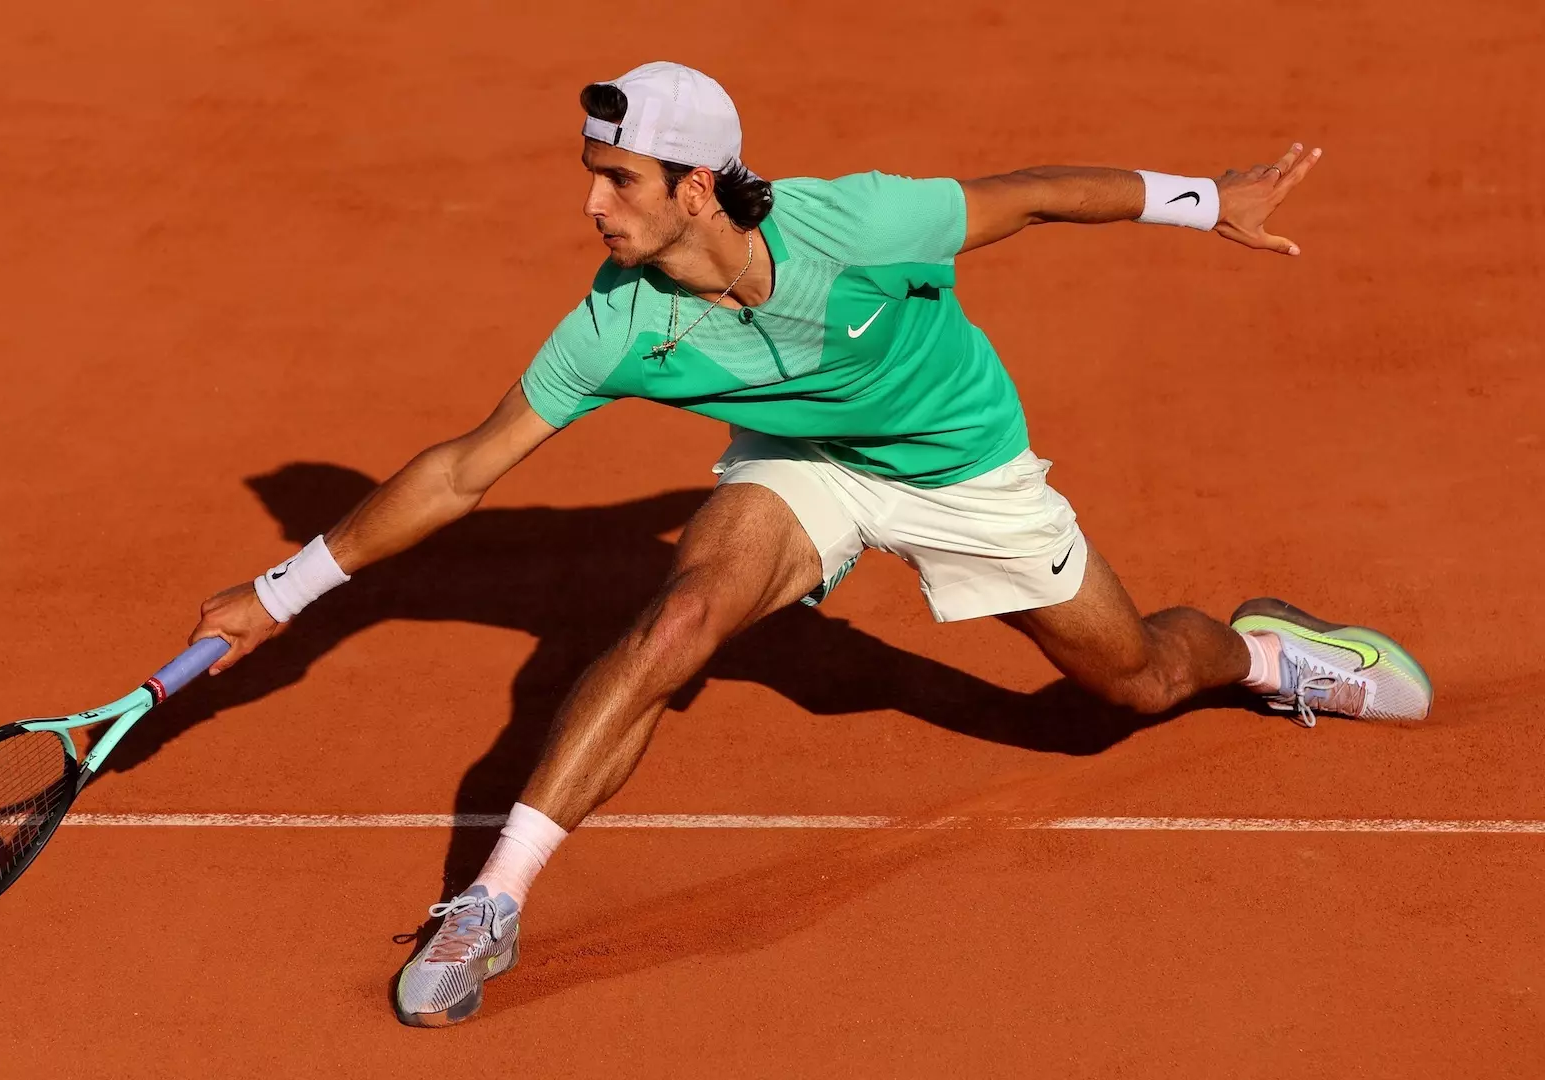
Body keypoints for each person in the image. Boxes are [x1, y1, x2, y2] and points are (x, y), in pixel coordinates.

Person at [187, 61, 1432, 1027]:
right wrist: (278, 591)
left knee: (1135, 681)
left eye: (614, 178)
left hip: (963, 469)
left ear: (695, 186)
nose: (588, 202)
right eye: (590, 171)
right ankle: (490, 905)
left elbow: (1042, 195)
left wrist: (1215, 201)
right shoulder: (617, 322)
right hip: (801, 474)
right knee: (676, 624)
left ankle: (1265, 658)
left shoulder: (864, 227)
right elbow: (464, 469)